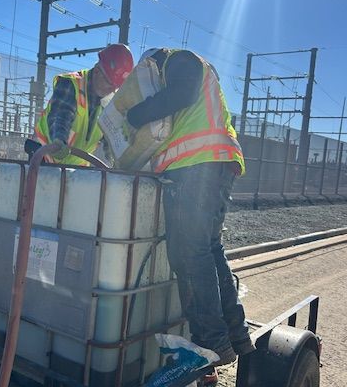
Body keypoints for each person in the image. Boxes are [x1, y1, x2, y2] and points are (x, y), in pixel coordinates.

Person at [125, 47, 254, 365]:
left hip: (197, 169)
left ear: (153, 61)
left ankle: (213, 341)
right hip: (214, 166)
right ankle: (236, 336)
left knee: (188, 253)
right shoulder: (199, 70)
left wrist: (137, 114)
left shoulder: (179, 60)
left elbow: (180, 94)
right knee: (209, 250)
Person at [32, 43, 134, 165]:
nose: (112, 90)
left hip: (73, 168)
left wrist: (117, 162)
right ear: (97, 71)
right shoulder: (71, 84)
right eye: (110, 83)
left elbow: (110, 137)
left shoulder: (108, 101)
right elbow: (61, 116)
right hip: (44, 157)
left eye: (116, 87)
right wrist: (59, 140)